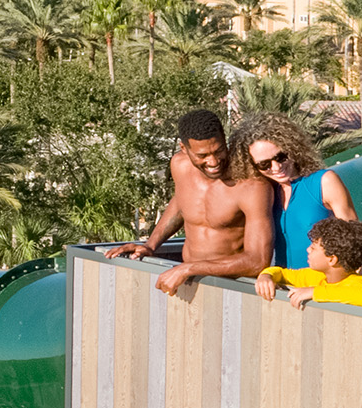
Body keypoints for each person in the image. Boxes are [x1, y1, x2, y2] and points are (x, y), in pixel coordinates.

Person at [108, 110, 274, 294]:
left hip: (233, 291)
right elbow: (181, 203)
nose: (213, 162)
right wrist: (150, 245)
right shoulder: (180, 166)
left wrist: (188, 268)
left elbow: (257, 261)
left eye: (218, 150)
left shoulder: (251, 185)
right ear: (183, 148)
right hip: (189, 285)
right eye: (202, 155)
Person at [233, 114, 356, 268]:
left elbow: (357, 244)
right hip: (283, 287)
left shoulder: (324, 182)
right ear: (251, 166)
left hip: (323, 288)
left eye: (281, 157)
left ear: (292, 148)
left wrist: (360, 289)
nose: (276, 167)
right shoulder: (265, 195)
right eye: (265, 164)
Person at [254, 217, 362, 308]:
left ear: (332, 259)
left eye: (313, 248)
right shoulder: (314, 276)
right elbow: (282, 273)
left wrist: (314, 292)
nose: (308, 250)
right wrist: (266, 276)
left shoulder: (357, 283)